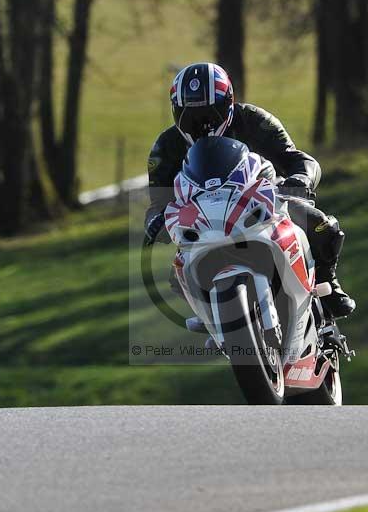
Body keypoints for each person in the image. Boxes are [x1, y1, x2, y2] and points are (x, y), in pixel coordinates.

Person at [144, 62, 355, 320]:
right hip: (203, 224)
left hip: (263, 204)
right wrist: (155, 222)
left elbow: (298, 159)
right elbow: (157, 203)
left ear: (229, 104)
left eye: (211, 114)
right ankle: (216, 321)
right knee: (178, 276)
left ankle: (327, 284)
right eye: (192, 117)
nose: (202, 125)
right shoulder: (165, 147)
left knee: (321, 226)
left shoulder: (256, 121)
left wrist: (300, 179)